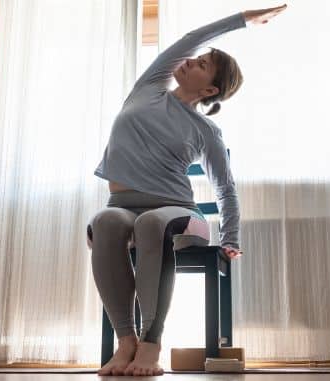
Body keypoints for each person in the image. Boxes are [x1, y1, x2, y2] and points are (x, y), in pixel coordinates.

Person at [86, 4, 287, 377]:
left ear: (210, 89)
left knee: (151, 225)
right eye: (197, 59)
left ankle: (151, 344)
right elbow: (190, 39)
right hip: (123, 204)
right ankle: (126, 341)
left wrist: (230, 237)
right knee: (106, 222)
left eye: (203, 64)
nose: (192, 61)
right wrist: (242, 20)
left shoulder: (206, 131)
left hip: (179, 212)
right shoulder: (149, 88)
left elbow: (225, 188)